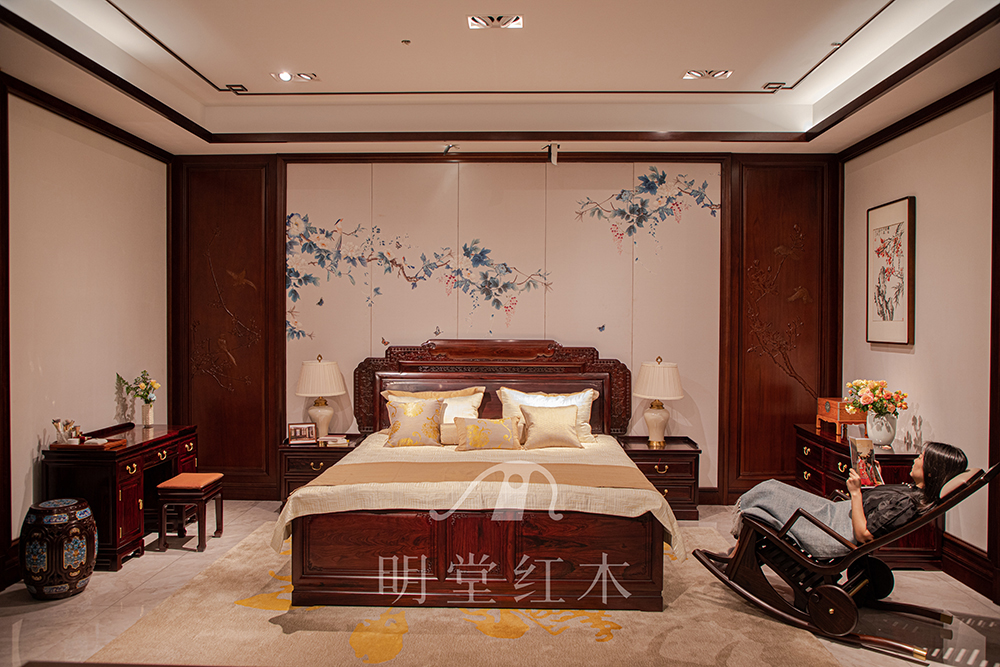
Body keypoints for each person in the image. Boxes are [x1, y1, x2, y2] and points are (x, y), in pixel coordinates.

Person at [731, 441, 968, 558]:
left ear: (932, 471)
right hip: (836, 516)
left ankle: (737, 557)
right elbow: (883, 512)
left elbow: (864, 534)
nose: (916, 459)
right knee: (772, 488)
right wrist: (876, 481)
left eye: (922, 457)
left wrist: (855, 492)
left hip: (833, 529)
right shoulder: (914, 494)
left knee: (769, 492)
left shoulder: (909, 503)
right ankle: (740, 552)